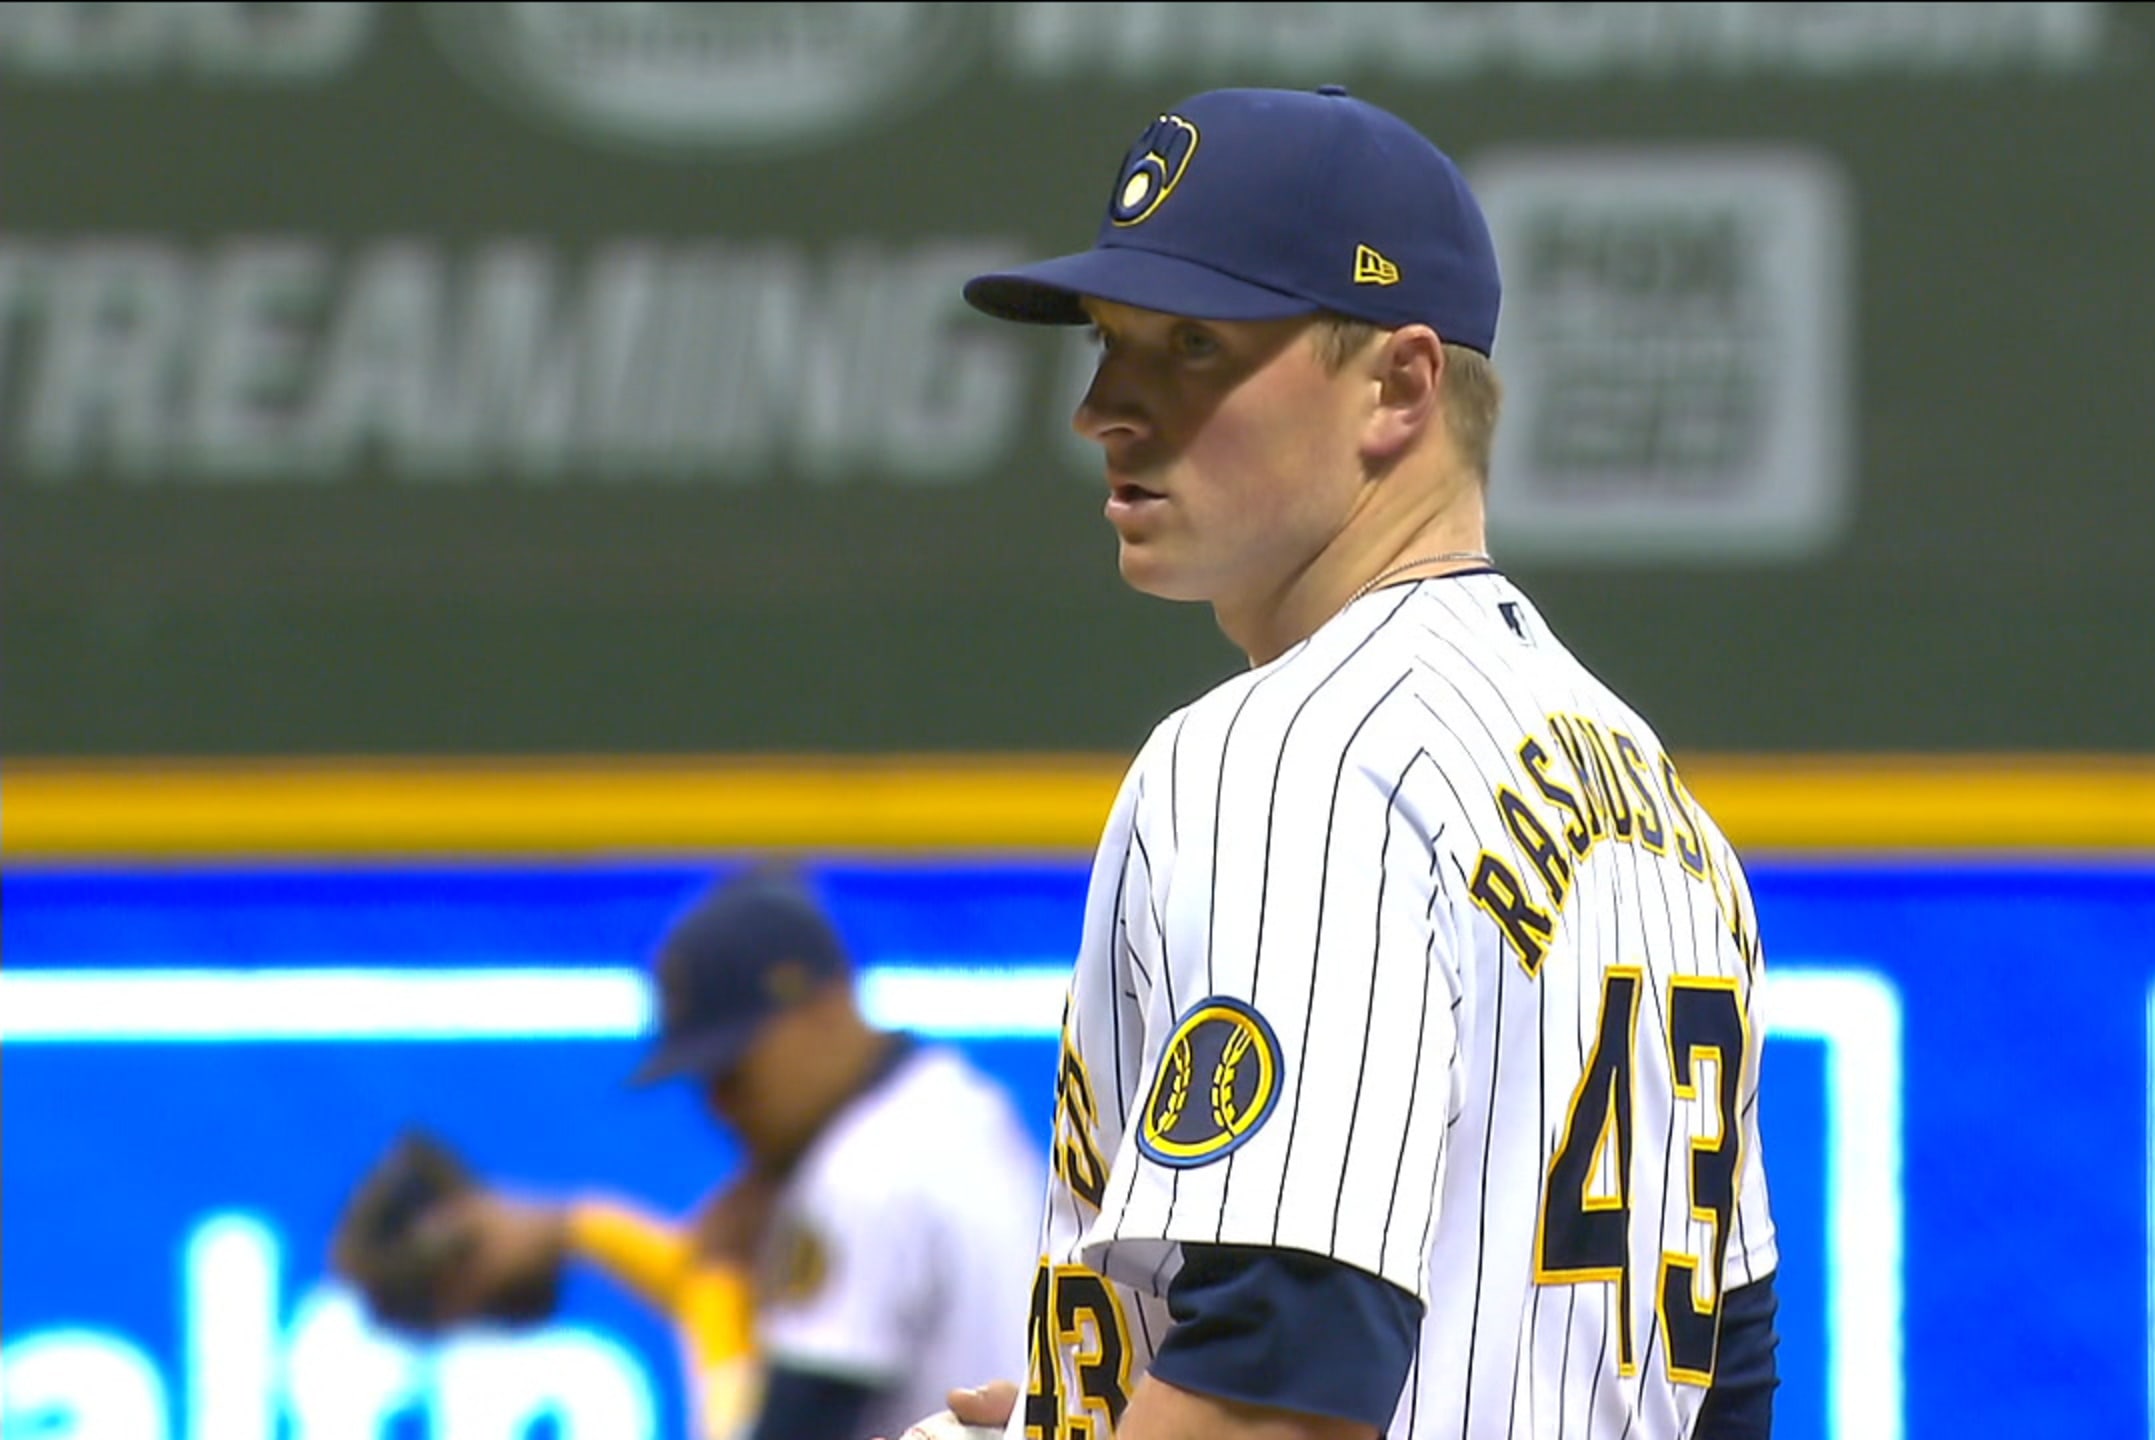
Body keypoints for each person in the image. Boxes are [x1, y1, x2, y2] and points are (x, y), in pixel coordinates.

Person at [922, 84, 1783, 1440]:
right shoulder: (1660, 805)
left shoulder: (1295, 756)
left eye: (1192, 345)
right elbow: (1727, 1382)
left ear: (1399, 387)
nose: (1102, 409)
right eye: (1107, 343)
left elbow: (1282, 1382)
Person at [423, 865, 1044, 1440]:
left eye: (734, 1068)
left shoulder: (862, 1176)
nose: (719, 1103)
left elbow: (789, 1426)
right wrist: (577, 1232)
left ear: (824, 1007)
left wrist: (716, 1313)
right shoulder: (955, 1107)